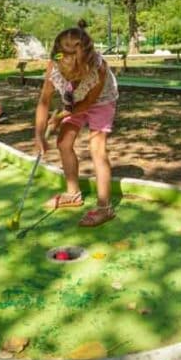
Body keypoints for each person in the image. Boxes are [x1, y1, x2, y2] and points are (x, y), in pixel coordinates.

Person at [33, 20, 119, 227]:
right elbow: (44, 102)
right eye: (68, 76)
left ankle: (104, 207)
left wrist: (59, 117)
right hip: (73, 101)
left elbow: (86, 104)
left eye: (77, 76)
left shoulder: (99, 69)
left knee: (97, 148)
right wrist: (39, 134)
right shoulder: (54, 64)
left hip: (101, 101)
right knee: (63, 143)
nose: (72, 79)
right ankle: (73, 194)